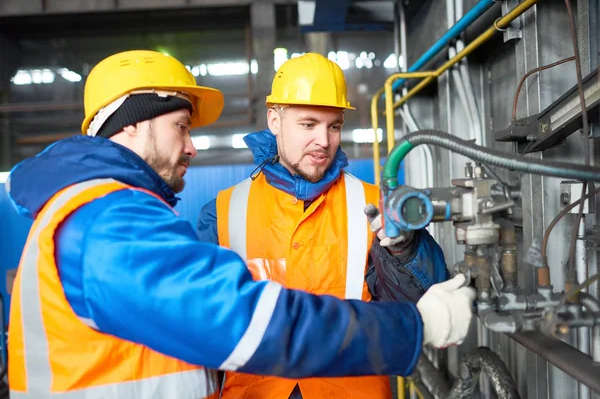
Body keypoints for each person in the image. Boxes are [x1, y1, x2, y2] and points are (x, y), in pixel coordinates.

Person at [7, 50, 475, 399]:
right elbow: (236, 318)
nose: (191, 148)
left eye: (333, 127)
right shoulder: (114, 220)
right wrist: (412, 327)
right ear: (130, 123)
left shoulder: (370, 203)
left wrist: (403, 249)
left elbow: (424, 288)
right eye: (182, 127)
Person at [196, 52, 453, 399]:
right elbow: (201, 328)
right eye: (308, 124)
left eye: (334, 126)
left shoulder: (376, 207)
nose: (323, 140)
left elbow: (422, 305)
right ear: (274, 120)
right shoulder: (223, 213)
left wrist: (405, 247)